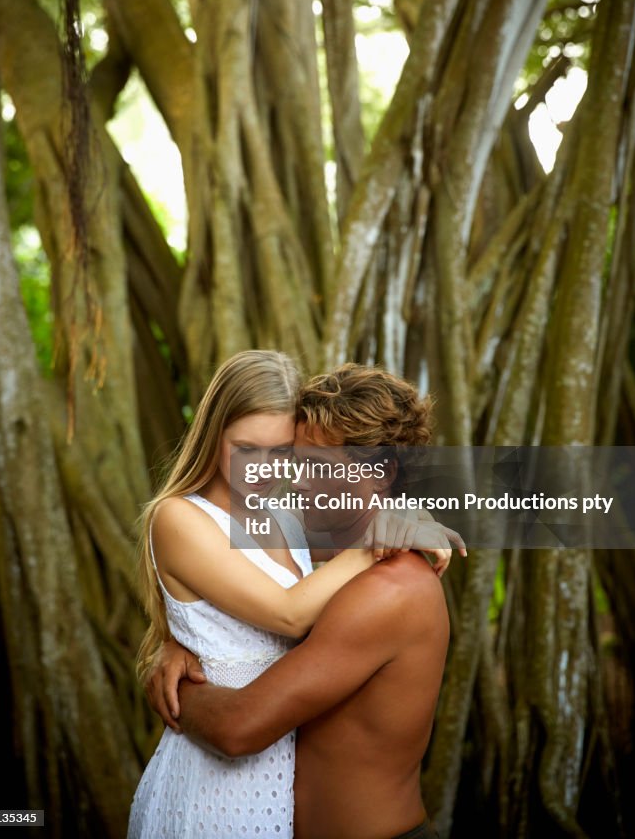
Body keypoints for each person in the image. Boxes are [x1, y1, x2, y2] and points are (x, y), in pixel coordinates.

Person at [128, 351, 461, 839]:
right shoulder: (321, 550)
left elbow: (240, 727)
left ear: (383, 473)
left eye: (316, 467)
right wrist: (179, 640)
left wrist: (171, 691)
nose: (297, 483)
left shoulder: (389, 588)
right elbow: (246, 599)